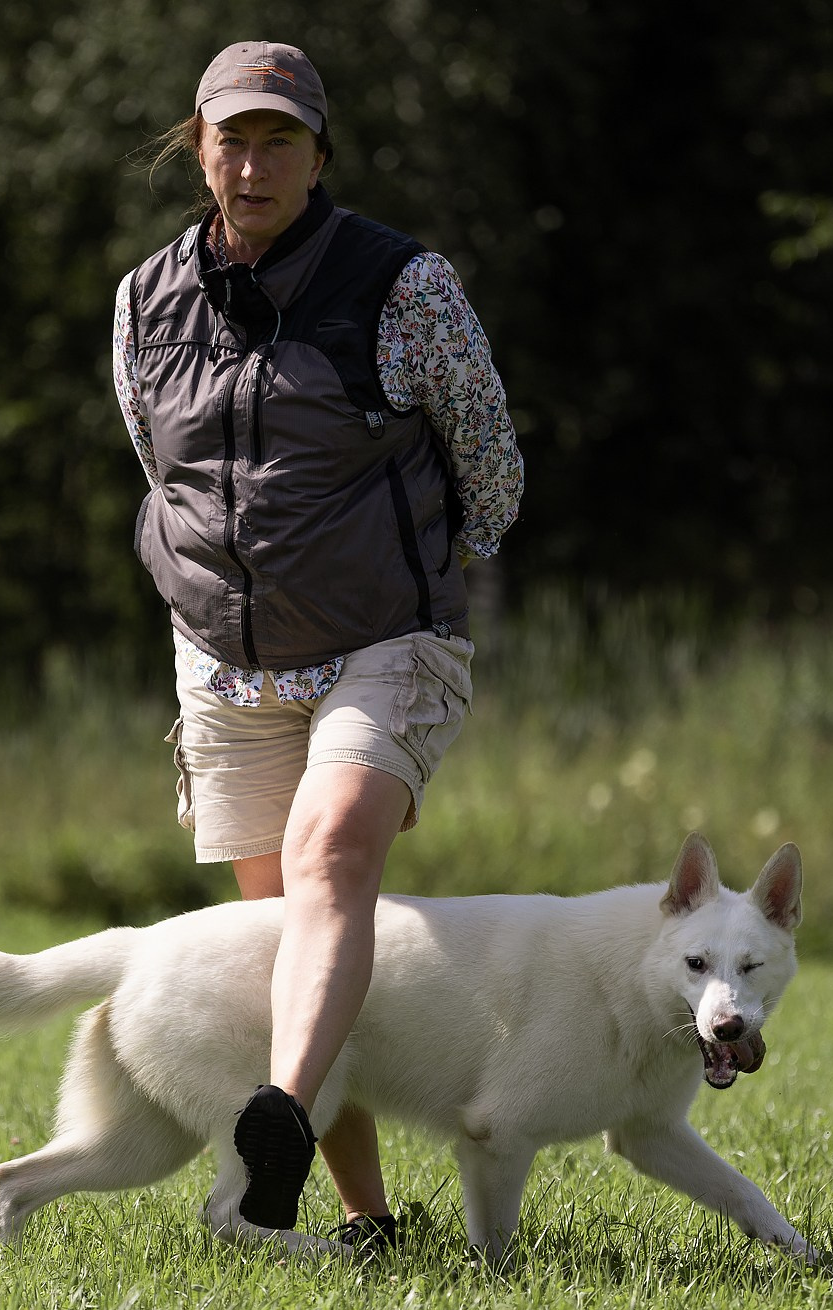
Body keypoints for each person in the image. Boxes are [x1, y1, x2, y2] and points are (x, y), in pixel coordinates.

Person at [111, 40, 524, 1248]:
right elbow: (165, 466)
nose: (251, 164)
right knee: (283, 934)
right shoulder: (145, 299)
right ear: (197, 149)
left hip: (383, 636)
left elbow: (488, 460)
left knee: (332, 848)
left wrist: (435, 566)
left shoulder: (404, 285)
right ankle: (366, 1220)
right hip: (227, 655)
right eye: (230, 139)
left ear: (317, 155)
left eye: (278, 140)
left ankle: (279, 1111)